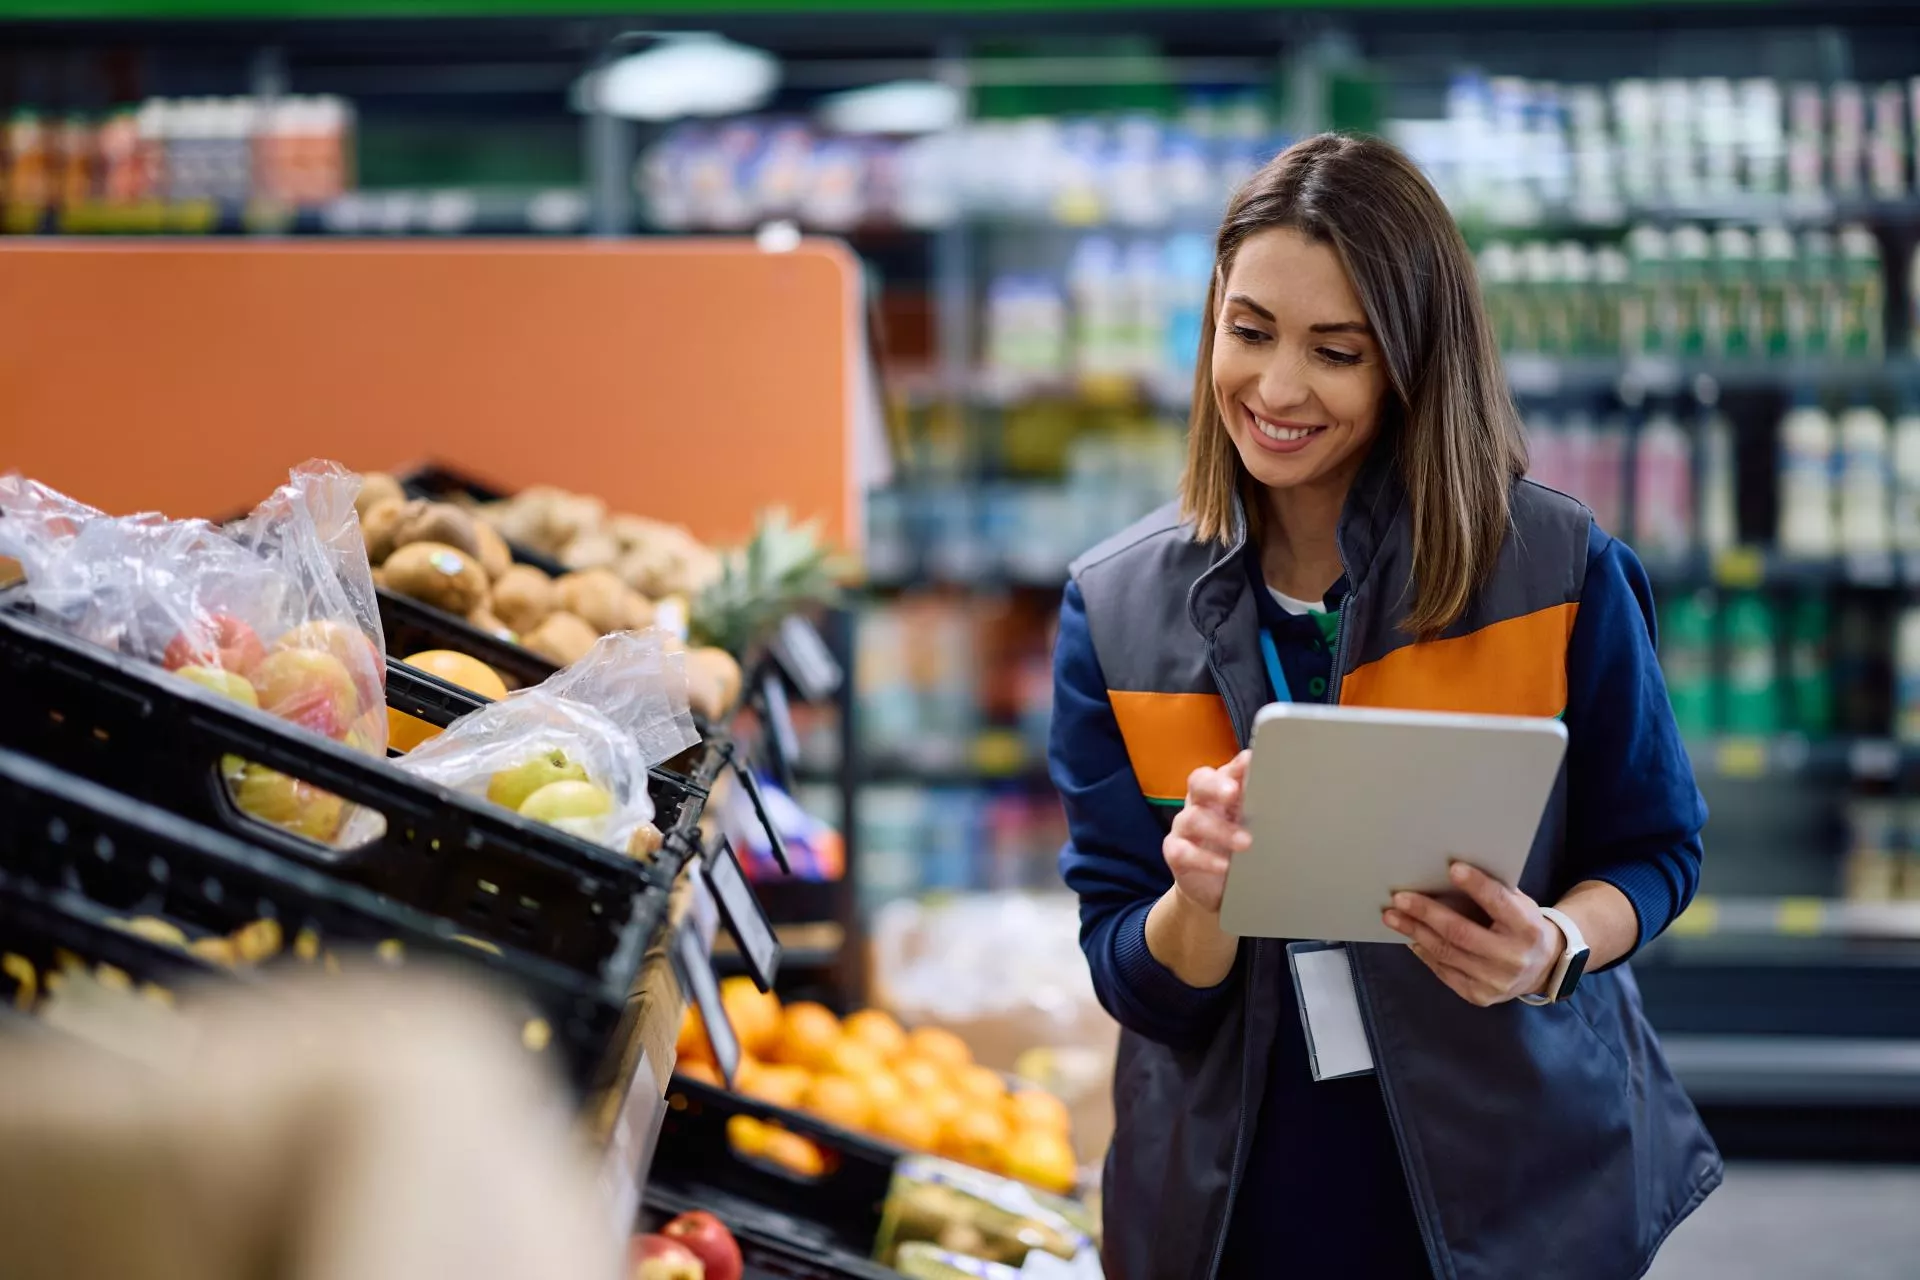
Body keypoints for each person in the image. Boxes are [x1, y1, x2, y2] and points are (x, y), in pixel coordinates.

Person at [1051, 133, 1720, 1280]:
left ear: (1413, 362)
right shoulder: (1114, 609)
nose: (1276, 388)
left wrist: (1551, 946)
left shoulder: (1553, 567)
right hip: (1232, 1190)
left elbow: (1657, 848)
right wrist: (1199, 898)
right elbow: (1132, 969)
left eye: (1336, 351)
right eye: (1249, 330)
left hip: (1507, 1173)